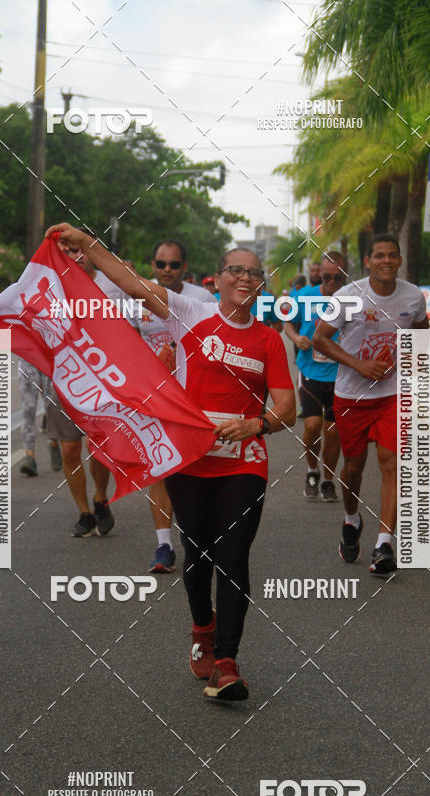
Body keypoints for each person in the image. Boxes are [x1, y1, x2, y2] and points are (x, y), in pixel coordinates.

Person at [46, 222, 296, 700]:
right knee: (198, 554)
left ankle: (227, 663)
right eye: (235, 270)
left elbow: (287, 408)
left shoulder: (268, 341)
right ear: (217, 279)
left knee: (233, 556)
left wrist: (256, 425)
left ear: (262, 284)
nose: (245, 278)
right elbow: (132, 283)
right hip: (191, 460)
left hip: (244, 463)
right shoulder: (189, 313)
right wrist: (90, 245)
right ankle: (203, 628)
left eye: (254, 273)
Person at [313, 234, 429, 575]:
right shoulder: (348, 297)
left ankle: (384, 545)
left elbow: (420, 336)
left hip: (393, 395)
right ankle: (351, 519)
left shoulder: (412, 296)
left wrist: (412, 372)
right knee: (353, 468)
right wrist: (359, 365)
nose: (386, 261)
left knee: (392, 464)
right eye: (379, 255)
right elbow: (320, 339)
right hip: (352, 397)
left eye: (392, 255)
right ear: (367, 261)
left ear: (399, 260)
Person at [142, 239, 216, 573]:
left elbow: (217, 341)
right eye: (161, 264)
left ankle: (194, 531)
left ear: (184, 267)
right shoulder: (138, 296)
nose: (167, 270)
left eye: (174, 264)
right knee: (161, 465)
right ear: (153, 266)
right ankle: (164, 545)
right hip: (154, 396)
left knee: (194, 468)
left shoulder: (202, 299)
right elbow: (124, 340)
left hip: (194, 396)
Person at [46, 233, 115, 538]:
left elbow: (131, 330)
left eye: (81, 250)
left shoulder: (112, 286)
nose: (76, 256)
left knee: (99, 447)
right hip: (65, 377)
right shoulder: (50, 287)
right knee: (70, 448)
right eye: (69, 251)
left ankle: (100, 498)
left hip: (104, 379)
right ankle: (84, 512)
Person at [284, 251, 346, 501]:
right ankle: (312, 471)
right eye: (327, 276)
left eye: (337, 277)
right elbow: (287, 322)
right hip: (310, 370)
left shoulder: (354, 299)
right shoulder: (304, 296)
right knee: (312, 426)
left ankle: (328, 480)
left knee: (333, 430)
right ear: (320, 273)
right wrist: (296, 337)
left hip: (341, 374)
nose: (331, 282)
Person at [18, 360, 61, 477]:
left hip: (47, 358)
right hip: (26, 359)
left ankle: (53, 443)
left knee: (51, 406)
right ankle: (29, 457)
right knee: (29, 408)